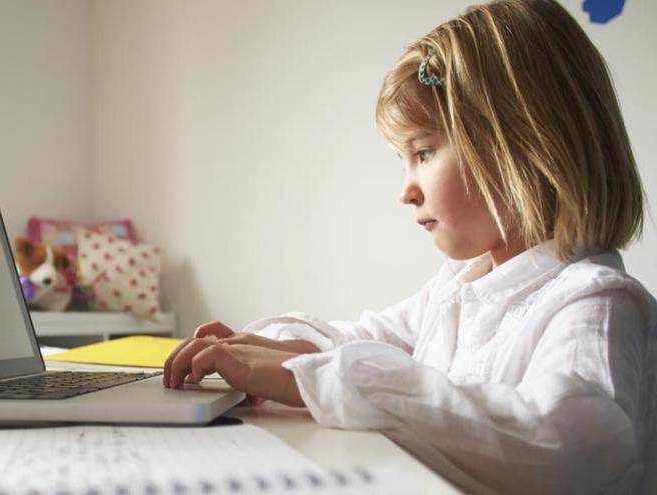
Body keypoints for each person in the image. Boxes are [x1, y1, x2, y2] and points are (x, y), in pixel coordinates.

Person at [162, 0, 655, 493]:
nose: (406, 190)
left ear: (525, 143)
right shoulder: (462, 286)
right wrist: (281, 352)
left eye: (423, 153)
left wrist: (317, 380)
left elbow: (571, 448)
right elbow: (372, 339)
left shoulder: (595, 301)